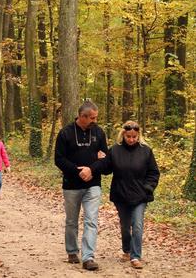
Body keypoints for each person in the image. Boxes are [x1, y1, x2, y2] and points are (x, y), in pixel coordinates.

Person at [89, 121, 159, 269]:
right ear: (123, 134)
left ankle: (135, 256)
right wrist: (100, 159)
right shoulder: (115, 150)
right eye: (129, 136)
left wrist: (148, 188)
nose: (131, 139)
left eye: (134, 136)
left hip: (140, 195)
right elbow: (106, 170)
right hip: (121, 194)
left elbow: (153, 173)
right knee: (125, 226)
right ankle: (127, 250)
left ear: (138, 135)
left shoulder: (146, 151)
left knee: (138, 225)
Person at [54, 100, 108, 271]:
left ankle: (88, 257)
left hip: (93, 184)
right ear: (82, 117)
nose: (95, 120)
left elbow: (105, 158)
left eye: (95, 117)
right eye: (92, 117)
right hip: (71, 185)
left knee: (91, 220)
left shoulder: (99, 133)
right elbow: (59, 159)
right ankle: (72, 251)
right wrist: (78, 171)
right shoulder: (65, 133)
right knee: (71, 220)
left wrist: (91, 169)